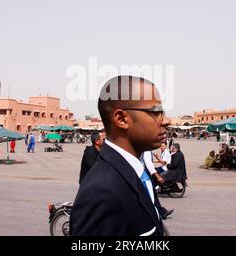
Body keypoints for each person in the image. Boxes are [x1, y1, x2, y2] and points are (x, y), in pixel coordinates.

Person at [70, 75, 169, 236]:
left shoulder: (137, 173)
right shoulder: (102, 192)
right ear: (121, 119)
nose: (166, 121)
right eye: (156, 112)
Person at [142, 150, 174, 220]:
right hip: (146, 176)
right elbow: (149, 166)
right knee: (152, 196)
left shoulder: (146, 151)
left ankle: (162, 212)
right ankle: (161, 213)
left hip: (146, 176)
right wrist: (158, 176)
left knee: (153, 195)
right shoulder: (147, 152)